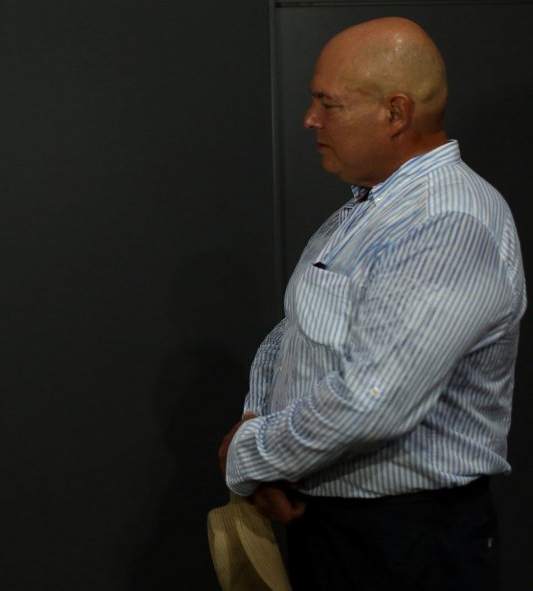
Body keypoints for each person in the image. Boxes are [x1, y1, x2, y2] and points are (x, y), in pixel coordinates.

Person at [218, 17, 526, 590]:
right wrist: (258, 424)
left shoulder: (446, 221)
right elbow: (297, 332)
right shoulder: (369, 208)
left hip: (405, 547)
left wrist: (252, 454)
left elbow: (372, 402)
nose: (310, 119)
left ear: (396, 112)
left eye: (327, 103)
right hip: (347, 532)